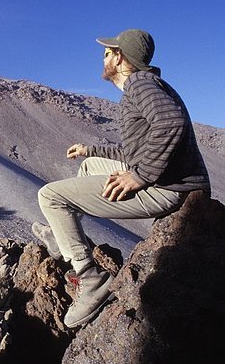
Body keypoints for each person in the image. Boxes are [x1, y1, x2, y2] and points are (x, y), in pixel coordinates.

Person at [32, 29, 211, 328]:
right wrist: (91, 150)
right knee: (89, 166)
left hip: (169, 189)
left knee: (50, 196)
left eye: (106, 53)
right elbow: (135, 151)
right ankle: (66, 238)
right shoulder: (147, 86)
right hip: (171, 181)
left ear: (120, 57)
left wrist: (141, 176)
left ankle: (90, 280)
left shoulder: (139, 84)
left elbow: (172, 123)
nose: (102, 59)